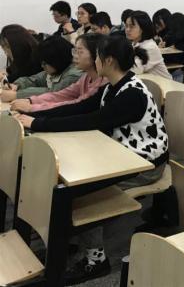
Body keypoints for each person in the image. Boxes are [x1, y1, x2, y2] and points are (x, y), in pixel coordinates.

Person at [14, 35, 169, 284]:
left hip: (145, 165)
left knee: (80, 190)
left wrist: (38, 123)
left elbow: (91, 120)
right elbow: (79, 108)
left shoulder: (131, 93)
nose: (95, 60)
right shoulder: (112, 86)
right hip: (119, 155)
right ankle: (64, 240)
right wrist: (37, 116)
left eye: (97, 56)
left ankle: (96, 261)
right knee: (63, 182)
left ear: (108, 61)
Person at [10, 33, 106, 113]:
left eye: (80, 52)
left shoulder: (99, 82)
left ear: (96, 54)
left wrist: (31, 107)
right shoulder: (86, 77)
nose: (75, 56)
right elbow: (61, 95)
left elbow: (76, 105)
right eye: (75, 51)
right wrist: (30, 100)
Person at [0, 36, 82, 102]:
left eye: (45, 63)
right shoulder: (58, 69)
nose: (42, 66)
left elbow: (53, 93)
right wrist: (17, 85)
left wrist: (16, 95)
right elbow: (35, 80)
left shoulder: (73, 75)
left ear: (56, 60)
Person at [125, 11, 172, 79]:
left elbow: (135, 70)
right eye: (126, 26)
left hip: (165, 84)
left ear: (143, 28)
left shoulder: (150, 46)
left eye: (131, 26)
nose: (127, 29)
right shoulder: (134, 44)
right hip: (149, 82)